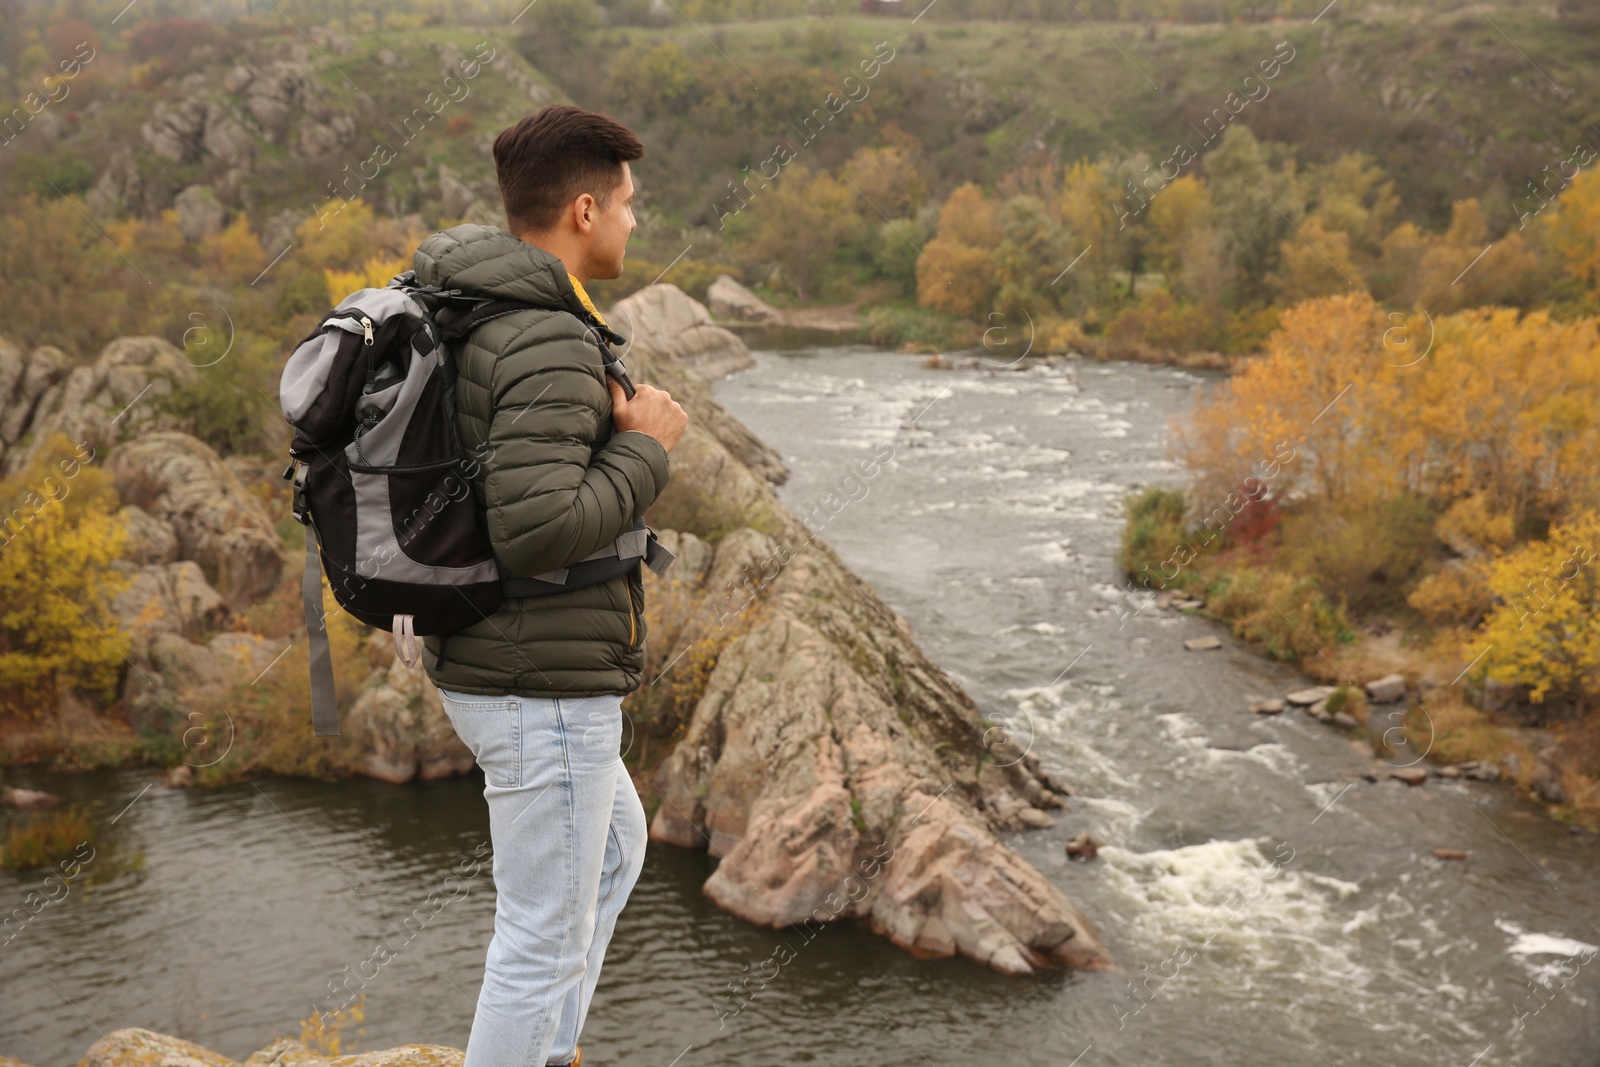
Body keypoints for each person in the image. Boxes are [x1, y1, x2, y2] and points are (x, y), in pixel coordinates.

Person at [414, 104, 689, 1067]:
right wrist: (647, 449)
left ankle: (549, 1050)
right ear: (583, 208)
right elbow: (535, 530)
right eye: (627, 204)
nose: (632, 221)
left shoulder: (471, 304)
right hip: (540, 682)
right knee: (534, 939)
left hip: (498, 659)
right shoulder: (542, 335)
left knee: (616, 848)